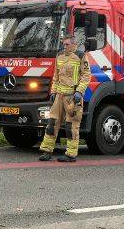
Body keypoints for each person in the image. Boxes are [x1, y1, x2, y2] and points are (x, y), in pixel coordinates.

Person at [38, 32, 91, 163]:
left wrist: (79, 92)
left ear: (74, 44)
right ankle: (47, 151)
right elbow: (56, 76)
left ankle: (71, 154)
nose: (65, 46)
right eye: (63, 44)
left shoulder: (80, 56)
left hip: (72, 97)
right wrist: (53, 92)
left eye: (67, 44)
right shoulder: (59, 56)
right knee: (52, 123)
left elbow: (86, 76)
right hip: (59, 97)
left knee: (71, 126)